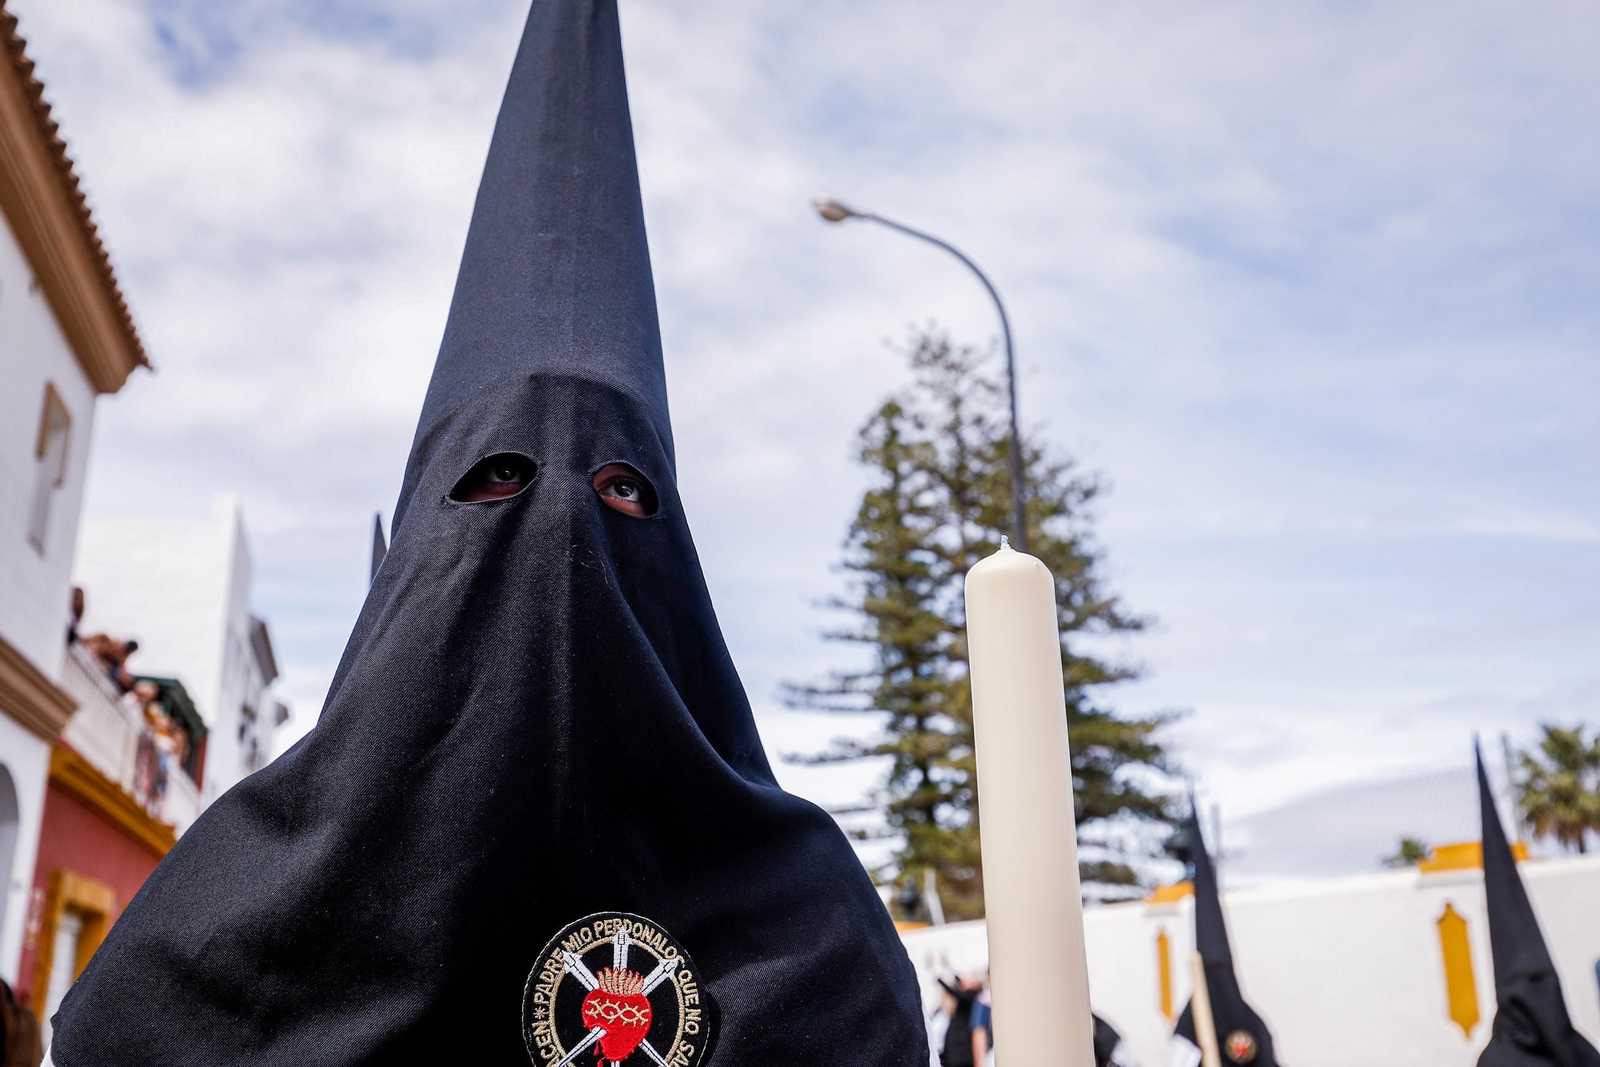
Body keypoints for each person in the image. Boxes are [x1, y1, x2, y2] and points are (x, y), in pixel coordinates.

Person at [41, 2, 929, 1064]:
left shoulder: (816, 941)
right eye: (496, 480)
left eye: (620, 490)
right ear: (416, 547)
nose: (558, 531)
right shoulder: (201, 955)